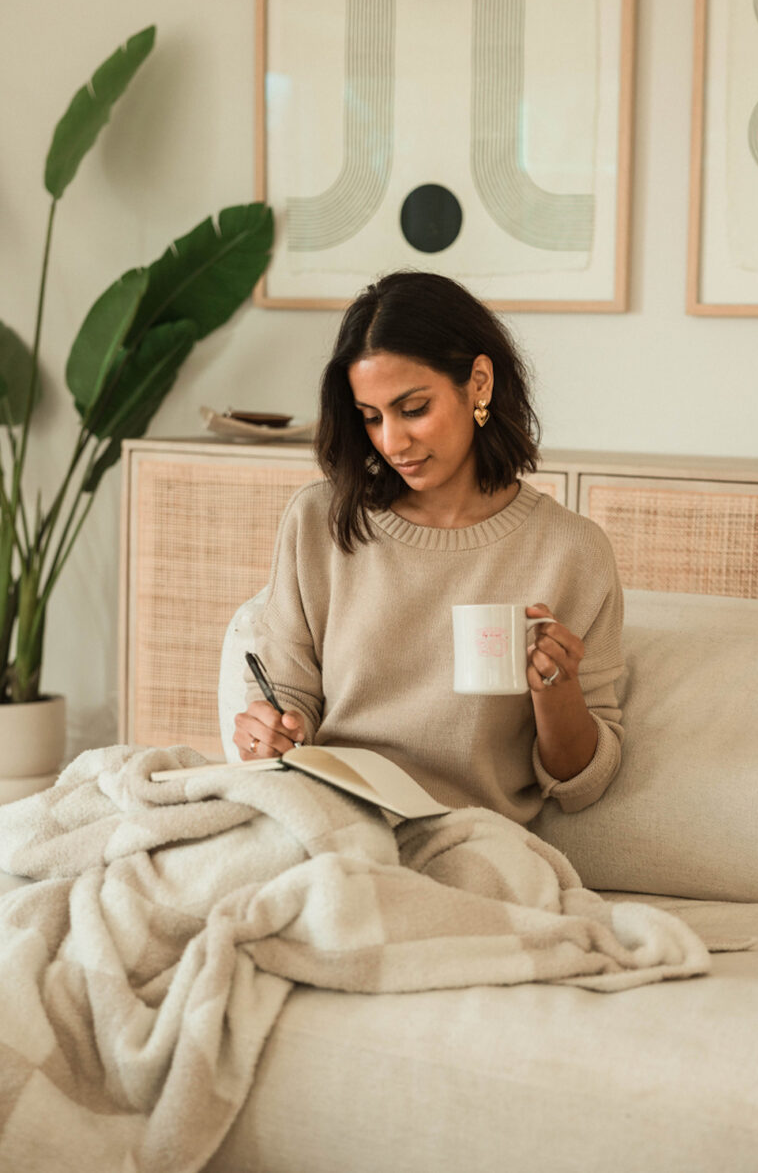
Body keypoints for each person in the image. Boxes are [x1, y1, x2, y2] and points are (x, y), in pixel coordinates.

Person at [233, 271, 624, 824]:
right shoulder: (318, 520)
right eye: (371, 418)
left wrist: (557, 689)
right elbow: (286, 697)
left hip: (466, 837)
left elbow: (581, 784)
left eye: (413, 408)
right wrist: (266, 735)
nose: (392, 442)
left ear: (479, 382)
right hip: (327, 820)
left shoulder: (571, 551)